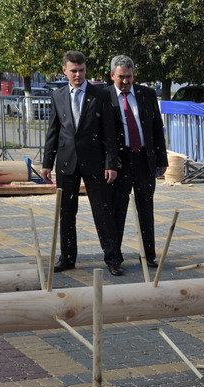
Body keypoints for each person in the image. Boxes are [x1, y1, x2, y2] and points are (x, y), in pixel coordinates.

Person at [41, 50, 123, 276]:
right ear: (64, 71)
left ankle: (113, 259)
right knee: (66, 213)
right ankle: (67, 258)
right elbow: (53, 131)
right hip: (67, 163)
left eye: (82, 70)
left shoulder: (100, 95)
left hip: (95, 163)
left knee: (103, 212)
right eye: (74, 71)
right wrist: (47, 162)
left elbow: (109, 132)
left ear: (86, 70)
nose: (78, 75)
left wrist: (111, 163)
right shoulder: (57, 95)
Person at [106, 55, 168, 268]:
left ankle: (148, 255)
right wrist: (110, 161)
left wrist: (162, 159)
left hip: (143, 160)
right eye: (121, 77)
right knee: (117, 211)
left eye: (129, 77)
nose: (125, 81)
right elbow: (101, 134)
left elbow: (156, 128)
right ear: (112, 75)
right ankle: (114, 258)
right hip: (120, 163)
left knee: (146, 209)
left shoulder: (146, 94)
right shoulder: (104, 96)